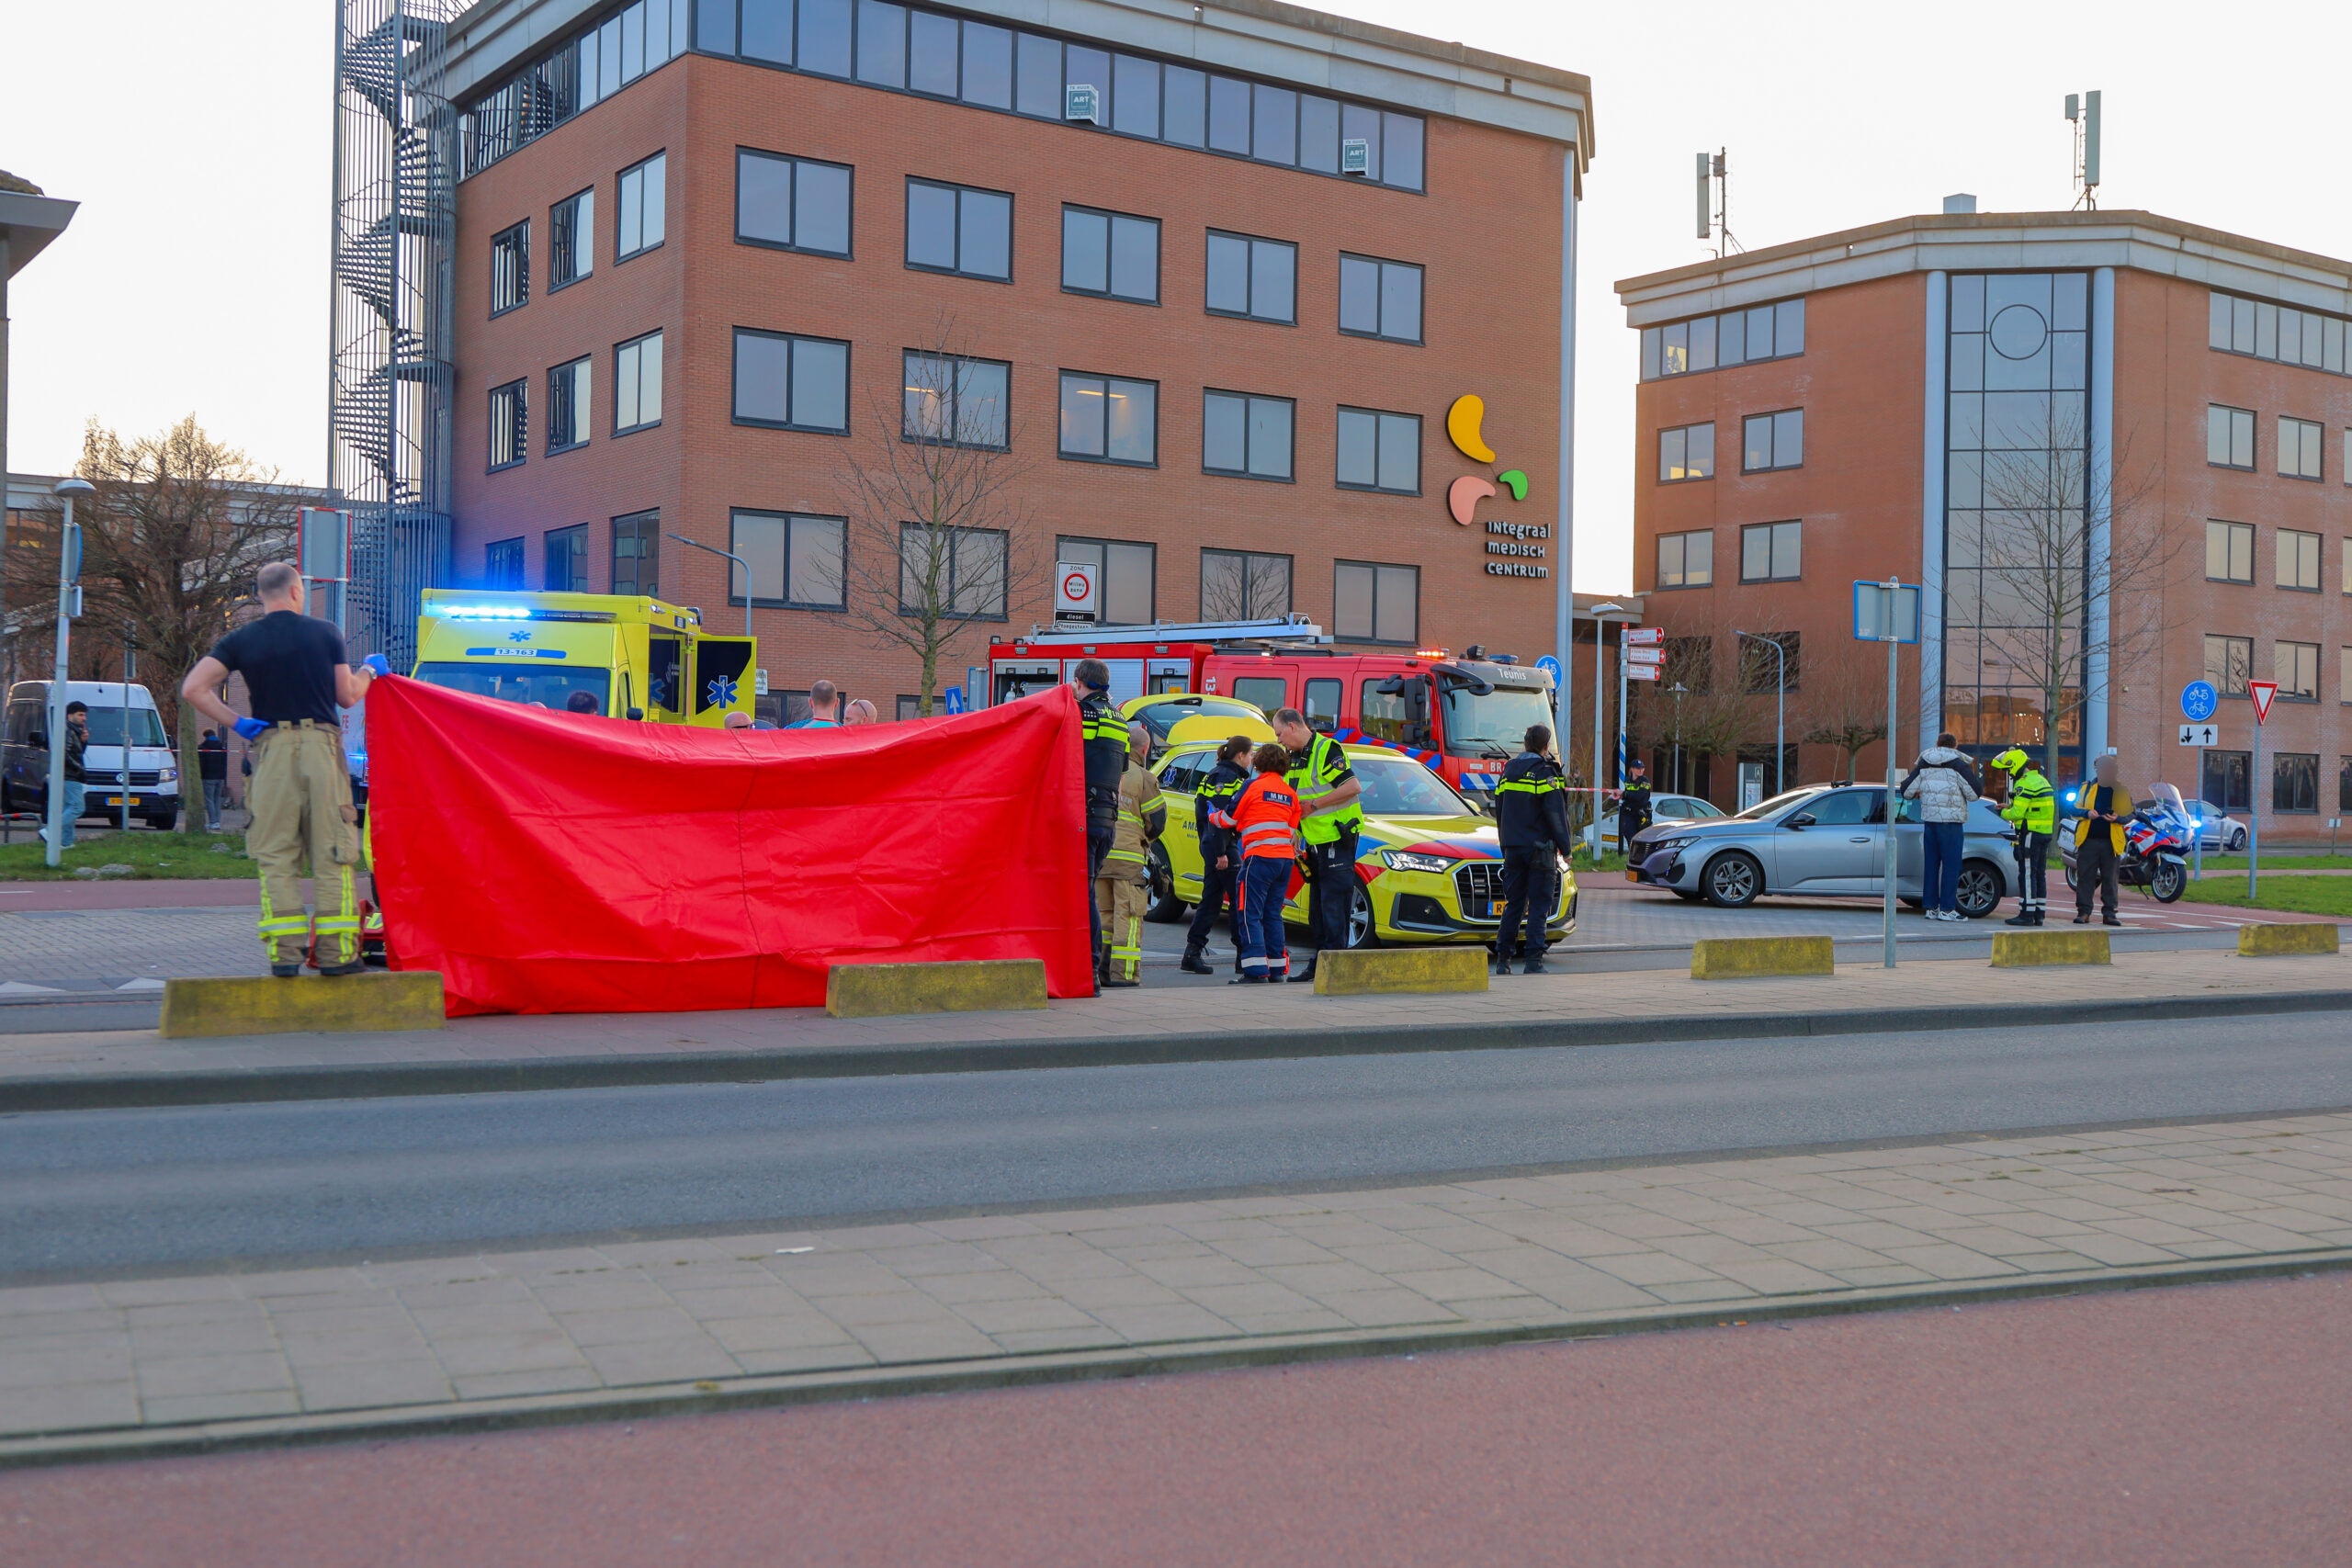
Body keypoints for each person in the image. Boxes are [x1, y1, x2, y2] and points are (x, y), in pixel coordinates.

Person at [181, 562, 387, 978]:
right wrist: (369, 670)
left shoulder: (240, 639)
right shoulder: (325, 632)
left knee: (276, 855)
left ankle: (284, 955)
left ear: (261, 596)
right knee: (333, 852)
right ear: (297, 592)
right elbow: (347, 697)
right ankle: (337, 956)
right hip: (320, 749)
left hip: (270, 750)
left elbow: (192, 688)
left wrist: (236, 721)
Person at [1272, 708, 1363, 983]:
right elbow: (1298, 798)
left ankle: (1336, 970)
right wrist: (1297, 831)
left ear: (1292, 726)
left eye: (1279, 734)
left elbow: (1353, 786)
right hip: (1314, 843)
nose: (1279, 741)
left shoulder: (1326, 749)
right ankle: (1319, 964)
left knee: (1334, 909)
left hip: (1337, 839)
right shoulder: (1296, 757)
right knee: (1318, 913)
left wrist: (1315, 806)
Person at [1213, 742, 1302, 983]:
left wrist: (1212, 814)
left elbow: (1229, 818)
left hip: (1259, 858)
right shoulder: (1290, 793)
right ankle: (1276, 970)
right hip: (1284, 861)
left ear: (1258, 763)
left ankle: (1255, 971)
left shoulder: (1252, 786)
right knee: (1272, 914)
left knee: (1249, 913)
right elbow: (1290, 829)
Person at [1493, 725, 1578, 975]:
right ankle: (1533, 962)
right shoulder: (1545, 772)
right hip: (1539, 849)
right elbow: (1555, 813)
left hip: (1513, 848)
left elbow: (1499, 810)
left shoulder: (1508, 772)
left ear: (1525, 743)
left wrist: (1505, 843)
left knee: (1514, 905)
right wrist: (1565, 847)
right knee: (1539, 905)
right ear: (1546, 746)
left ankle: (1503, 961)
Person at [1071, 659, 1128, 993]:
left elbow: (1070, 755)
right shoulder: (1119, 719)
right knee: (1087, 891)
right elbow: (1120, 773)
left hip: (1084, 814)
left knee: (1083, 893)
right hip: (1107, 818)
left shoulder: (1084, 714)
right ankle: (1089, 969)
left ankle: (1090, 971)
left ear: (1080, 681)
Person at [1093, 721, 1164, 988]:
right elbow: (1157, 821)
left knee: (1104, 915)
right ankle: (1123, 975)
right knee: (1130, 915)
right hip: (1129, 860)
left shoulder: (1102, 768)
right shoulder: (1143, 777)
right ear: (1144, 749)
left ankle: (1100, 971)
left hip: (1099, 856)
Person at [1180, 735, 1255, 976]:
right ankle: (1243, 956)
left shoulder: (1218, 774)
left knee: (1211, 900)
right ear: (1241, 755)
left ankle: (1192, 952)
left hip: (1214, 844)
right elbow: (1218, 817)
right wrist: (1221, 852)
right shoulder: (1225, 777)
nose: (1252, 759)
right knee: (1237, 899)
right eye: (1251, 754)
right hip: (1221, 846)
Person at [1900, 732, 1981, 921]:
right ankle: (1947, 909)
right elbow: (1975, 793)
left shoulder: (1924, 762)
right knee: (1951, 866)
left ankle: (1931, 908)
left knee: (1931, 865)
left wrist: (1922, 792)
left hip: (1930, 821)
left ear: (1937, 744)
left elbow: (1906, 791)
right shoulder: (1959, 764)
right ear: (1955, 746)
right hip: (1951, 823)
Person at [1992, 747, 2055, 926]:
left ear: (2014, 765)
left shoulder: (2023, 784)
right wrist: (2009, 807)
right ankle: (2039, 914)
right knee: (2039, 874)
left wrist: (2003, 812)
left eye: (2007, 769)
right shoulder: (2041, 780)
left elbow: (2017, 814)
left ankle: (2026, 914)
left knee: (2027, 875)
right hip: (2044, 834)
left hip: (2030, 835)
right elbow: (2032, 808)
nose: (2007, 773)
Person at [2072, 753, 2132, 928]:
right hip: (2088, 840)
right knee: (2085, 878)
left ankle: (2110, 914)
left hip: (2111, 842)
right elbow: (2073, 808)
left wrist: (2118, 818)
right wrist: (2087, 813)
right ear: (2097, 769)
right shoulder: (2086, 788)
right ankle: (2084, 913)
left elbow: (2131, 813)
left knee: (2110, 879)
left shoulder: (2120, 790)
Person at [36, 701, 90, 850]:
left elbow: (75, 752)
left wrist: (83, 742)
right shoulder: (67, 732)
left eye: (84, 715)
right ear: (70, 715)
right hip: (70, 776)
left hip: (67, 776)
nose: (84, 718)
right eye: (80, 715)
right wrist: (79, 769)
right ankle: (50, 831)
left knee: (69, 807)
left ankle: (66, 842)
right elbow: (65, 755)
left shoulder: (74, 732)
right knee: (77, 807)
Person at [1611, 760, 1653, 856]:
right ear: (1632, 769)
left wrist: (1624, 794)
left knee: (1642, 839)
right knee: (1631, 837)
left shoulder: (1645, 781)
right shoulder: (1626, 781)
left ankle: (1640, 858)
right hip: (1629, 813)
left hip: (1641, 814)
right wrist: (1619, 794)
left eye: (1642, 768)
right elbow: (1624, 794)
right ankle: (1634, 857)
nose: (1641, 770)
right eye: (1638, 768)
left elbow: (1640, 797)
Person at [197, 728, 229, 832]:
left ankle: (213, 822)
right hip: (220, 777)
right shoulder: (222, 747)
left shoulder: (203, 747)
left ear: (205, 736)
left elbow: (201, 764)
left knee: (209, 799)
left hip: (208, 777)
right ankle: (217, 822)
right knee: (217, 799)